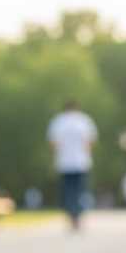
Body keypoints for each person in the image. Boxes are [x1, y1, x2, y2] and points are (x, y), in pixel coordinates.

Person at [47, 99, 97, 230]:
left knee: (68, 191)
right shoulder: (84, 120)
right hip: (81, 162)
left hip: (64, 162)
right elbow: (90, 142)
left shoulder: (58, 121)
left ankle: (71, 217)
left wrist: (58, 155)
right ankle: (78, 217)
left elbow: (53, 143)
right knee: (81, 191)